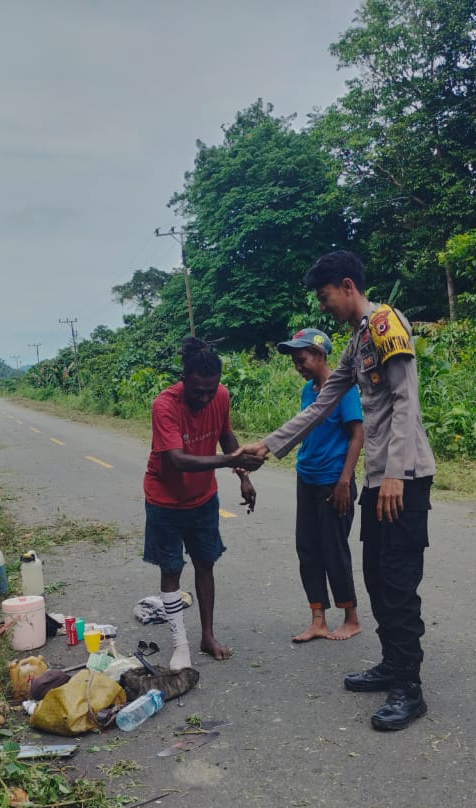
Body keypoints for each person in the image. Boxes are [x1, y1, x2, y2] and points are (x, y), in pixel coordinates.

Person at [243, 251, 437, 731]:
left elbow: (404, 399)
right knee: (374, 576)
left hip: (403, 478)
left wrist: (394, 473)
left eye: (325, 296)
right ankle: (392, 664)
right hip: (379, 480)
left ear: (347, 285)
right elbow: (323, 404)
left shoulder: (386, 323)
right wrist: (269, 445)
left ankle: (409, 689)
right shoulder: (354, 344)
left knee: (397, 581)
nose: (323, 305)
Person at [143, 336, 262, 670]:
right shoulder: (164, 405)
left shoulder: (220, 396)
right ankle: (180, 645)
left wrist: (243, 476)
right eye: (198, 391)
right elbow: (178, 460)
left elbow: (226, 438)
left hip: (202, 498)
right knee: (171, 568)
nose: (206, 397)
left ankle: (207, 635)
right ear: (185, 381)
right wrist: (228, 462)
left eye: (212, 389)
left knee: (205, 563)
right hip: (165, 499)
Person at [275, 327, 363, 644]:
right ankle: (318, 620)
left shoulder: (344, 390)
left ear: (320, 354)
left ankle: (351, 619)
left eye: (302, 359)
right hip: (307, 476)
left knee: (334, 550)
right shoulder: (309, 391)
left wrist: (344, 481)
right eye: (295, 362)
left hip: (333, 481)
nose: (299, 366)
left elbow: (357, 435)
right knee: (308, 549)